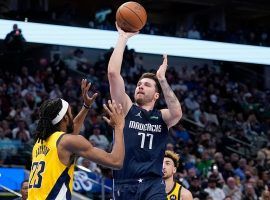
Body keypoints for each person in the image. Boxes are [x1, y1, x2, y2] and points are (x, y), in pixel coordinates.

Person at [108, 23, 182, 199]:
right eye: (139, 84)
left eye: (147, 85)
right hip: (125, 183)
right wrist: (123, 38)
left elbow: (177, 113)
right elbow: (113, 73)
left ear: (156, 95)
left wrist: (162, 79)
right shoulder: (126, 108)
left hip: (153, 185)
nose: (140, 86)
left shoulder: (161, 117)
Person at [28, 79, 125, 200]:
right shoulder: (66, 141)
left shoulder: (40, 142)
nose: (72, 115)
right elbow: (116, 162)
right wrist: (119, 127)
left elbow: (69, 133)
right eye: (70, 113)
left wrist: (86, 106)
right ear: (64, 118)